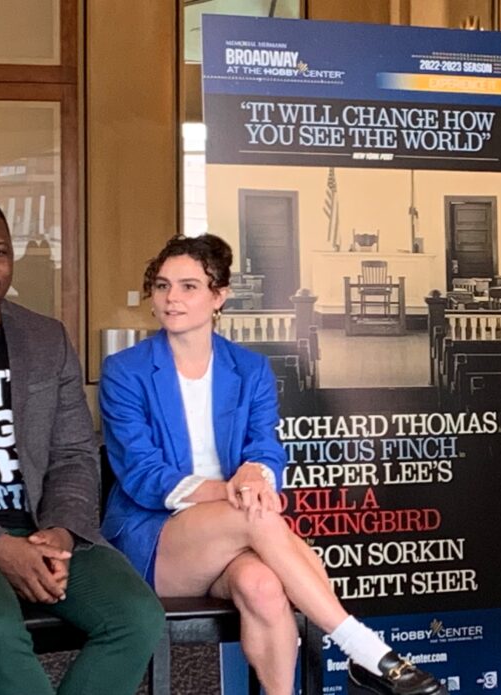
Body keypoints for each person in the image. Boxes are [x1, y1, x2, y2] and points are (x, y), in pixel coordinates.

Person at [99, 234, 447, 695]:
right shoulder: (126, 370)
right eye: (162, 286)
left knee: (263, 586)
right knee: (255, 514)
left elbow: (265, 448)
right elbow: (143, 475)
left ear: (219, 296)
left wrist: (256, 475)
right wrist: (235, 490)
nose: (171, 298)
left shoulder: (250, 369)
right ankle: (365, 650)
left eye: (188, 286)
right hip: (156, 540)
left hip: (238, 533)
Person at [0, 196, 165, 695]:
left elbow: (74, 453)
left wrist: (60, 531)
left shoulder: (46, 338)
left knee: (136, 617)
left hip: (40, 527)